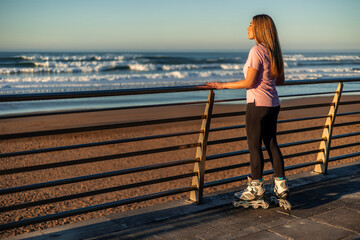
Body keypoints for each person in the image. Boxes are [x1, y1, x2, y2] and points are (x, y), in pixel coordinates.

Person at [206, 14, 290, 209]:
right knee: (271, 144)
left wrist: (222, 85)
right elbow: (280, 81)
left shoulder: (256, 51)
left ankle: (256, 188)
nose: (247, 28)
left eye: (250, 25)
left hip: (257, 104)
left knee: (254, 146)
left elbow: (249, 82)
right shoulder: (273, 51)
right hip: (273, 104)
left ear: (259, 28)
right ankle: (280, 186)